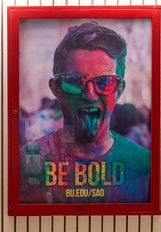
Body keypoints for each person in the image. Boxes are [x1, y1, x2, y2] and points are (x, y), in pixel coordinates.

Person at [20, 22, 151, 204]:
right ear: (57, 89)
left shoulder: (144, 165)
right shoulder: (28, 161)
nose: (90, 95)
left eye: (104, 82)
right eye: (75, 82)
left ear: (119, 90)